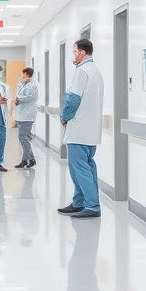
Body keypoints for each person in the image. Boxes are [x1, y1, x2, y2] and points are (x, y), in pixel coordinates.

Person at [58, 39, 104, 219]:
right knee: (87, 167)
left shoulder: (81, 71)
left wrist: (64, 116)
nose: (73, 55)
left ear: (82, 52)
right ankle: (79, 202)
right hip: (90, 131)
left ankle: (91, 205)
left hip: (79, 131)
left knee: (80, 169)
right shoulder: (96, 72)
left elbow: (73, 99)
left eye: (74, 51)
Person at [13, 67, 39, 169]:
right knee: (25, 138)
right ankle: (31, 159)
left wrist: (18, 99)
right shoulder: (22, 84)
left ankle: (25, 160)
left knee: (23, 138)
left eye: (23, 76)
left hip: (27, 115)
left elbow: (28, 97)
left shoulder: (33, 85)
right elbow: (18, 95)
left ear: (28, 75)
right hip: (21, 114)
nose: (22, 77)